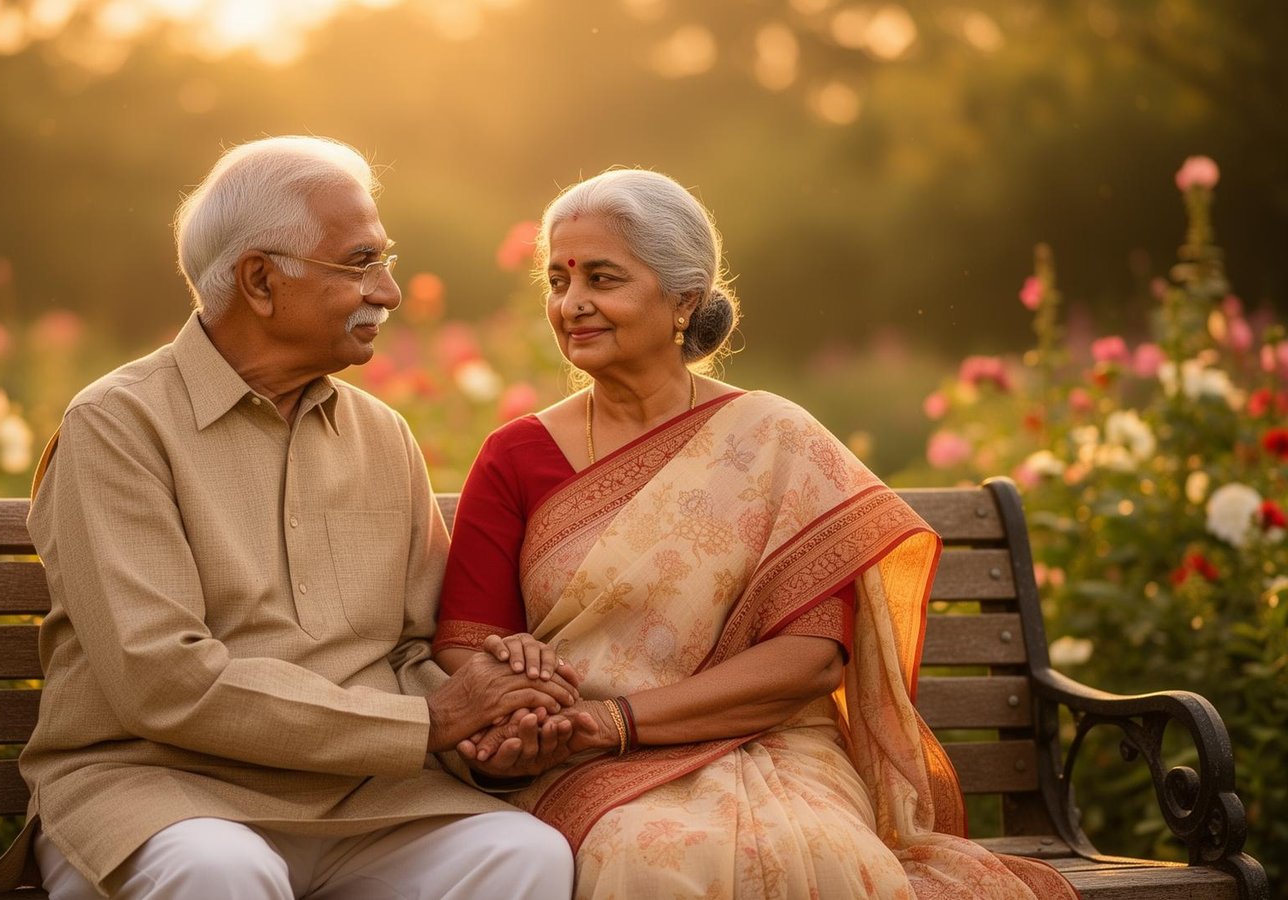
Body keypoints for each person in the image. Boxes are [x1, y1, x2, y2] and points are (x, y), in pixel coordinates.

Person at [0, 136, 577, 900]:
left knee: (525, 855)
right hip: (163, 796)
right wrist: (427, 725)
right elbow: (163, 680)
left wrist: (488, 734)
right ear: (260, 280)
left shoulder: (383, 435)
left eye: (387, 260)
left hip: (366, 798)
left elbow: (413, 650)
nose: (389, 291)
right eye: (359, 262)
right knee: (221, 872)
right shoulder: (116, 426)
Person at [433, 169, 1079, 899]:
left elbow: (807, 663)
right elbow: (465, 638)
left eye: (602, 278)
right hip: (583, 766)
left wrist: (617, 720)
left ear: (684, 299)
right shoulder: (517, 454)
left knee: (822, 854)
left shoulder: (773, 439)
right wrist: (522, 684)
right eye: (558, 279)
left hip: (772, 748)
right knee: (648, 856)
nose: (571, 303)